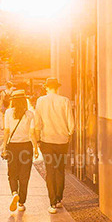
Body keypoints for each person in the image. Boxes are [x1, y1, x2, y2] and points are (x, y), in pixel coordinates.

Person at [34, 76, 75, 213]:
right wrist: (69, 133)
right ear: (57, 87)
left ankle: (52, 202)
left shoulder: (41, 101)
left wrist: (37, 139)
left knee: (50, 171)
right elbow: (71, 123)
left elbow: (37, 122)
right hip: (62, 141)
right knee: (60, 170)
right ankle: (59, 199)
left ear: (46, 87)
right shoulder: (65, 101)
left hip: (47, 141)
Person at [2, 89, 38, 211]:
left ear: (13, 101)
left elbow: (6, 131)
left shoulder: (8, 113)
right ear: (24, 100)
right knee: (24, 175)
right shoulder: (30, 114)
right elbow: (32, 133)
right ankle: (21, 202)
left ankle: (14, 193)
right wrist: (36, 148)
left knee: (12, 173)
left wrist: (3, 148)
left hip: (12, 146)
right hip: (26, 147)